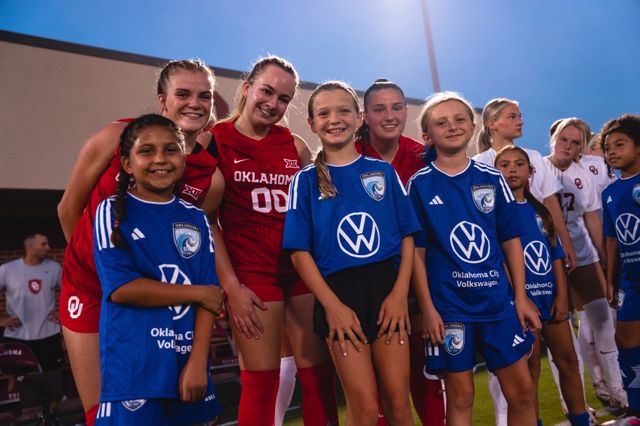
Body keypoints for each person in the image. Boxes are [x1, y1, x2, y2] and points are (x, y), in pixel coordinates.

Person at [57, 59, 223, 426]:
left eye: (204, 96)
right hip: (90, 288)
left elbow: (197, 242)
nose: (194, 103)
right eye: (183, 93)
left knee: (164, 410)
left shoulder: (210, 178)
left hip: (159, 298)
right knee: (102, 411)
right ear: (162, 99)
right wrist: (101, 267)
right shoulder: (115, 137)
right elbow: (68, 209)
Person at [209, 56, 337, 426]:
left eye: (283, 99)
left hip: (299, 269)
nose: (272, 103)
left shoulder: (294, 145)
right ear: (247, 87)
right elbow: (204, 221)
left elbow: (319, 210)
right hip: (252, 274)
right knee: (262, 380)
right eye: (266, 91)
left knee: (318, 373)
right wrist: (231, 286)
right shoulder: (214, 140)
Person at [284, 80, 419, 425]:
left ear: (359, 119)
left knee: (398, 402)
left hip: (387, 294)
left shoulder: (383, 172)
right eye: (324, 113)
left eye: (343, 111)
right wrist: (333, 307)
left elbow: (407, 237)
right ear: (312, 123)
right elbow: (299, 252)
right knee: (363, 408)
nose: (335, 119)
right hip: (339, 297)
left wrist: (400, 295)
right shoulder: (305, 181)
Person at [408, 91, 541, 425]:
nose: (452, 126)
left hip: (497, 304)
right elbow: (416, 254)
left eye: (459, 119)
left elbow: (511, 242)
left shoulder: (492, 179)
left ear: (471, 126)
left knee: (522, 391)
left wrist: (521, 297)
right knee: (461, 396)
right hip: (450, 309)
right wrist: (427, 309)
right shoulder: (419, 186)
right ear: (427, 136)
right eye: (441, 123)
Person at [92, 114, 224, 425]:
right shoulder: (111, 212)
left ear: (184, 159)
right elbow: (122, 289)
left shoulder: (195, 218)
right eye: (147, 151)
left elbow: (211, 298)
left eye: (171, 149)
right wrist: (197, 293)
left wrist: (198, 362)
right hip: (135, 369)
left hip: (187, 362)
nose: (160, 159)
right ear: (127, 164)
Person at [356, 79, 445, 426]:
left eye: (396, 107)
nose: (389, 116)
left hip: (423, 278)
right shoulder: (349, 155)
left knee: (427, 374)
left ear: (406, 111)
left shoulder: (423, 156)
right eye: (379, 109)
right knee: (382, 388)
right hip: (372, 283)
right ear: (365, 116)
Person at [494, 146, 590, 426]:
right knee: (531, 368)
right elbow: (501, 261)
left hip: (550, 300)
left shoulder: (541, 212)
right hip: (523, 305)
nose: (512, 169)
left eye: (519, 164)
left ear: (531, 172)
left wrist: (562, 297)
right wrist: (519, 298)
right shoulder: (495, 214)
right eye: (504, 165)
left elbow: (556, 256)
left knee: (568, 361)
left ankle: (581, 419)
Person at [473, 98, 577, 271]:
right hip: (503, 247)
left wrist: (565, 243)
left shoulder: (534, 157)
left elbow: (550, 202)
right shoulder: (479, 163)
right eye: (512, 117)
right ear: (492, 123)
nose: (520, 122)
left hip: (540, 240)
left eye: (520, 117)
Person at [601, 114, 640, 425]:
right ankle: (636, 408)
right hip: (630, 279)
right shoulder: (610, 192)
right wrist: (611, 280)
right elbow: (612, 239)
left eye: (620, 144)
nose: (612, 151)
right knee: (625, 339)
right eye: (607, 147)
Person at [0, 233, 64, 423]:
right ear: (31, 247)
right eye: (44, 244)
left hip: (48, 333)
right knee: (15, 379)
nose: (48, 247)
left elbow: (71, 292)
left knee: (53, 379)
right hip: (18, 336)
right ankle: (13, 420)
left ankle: (50, 418)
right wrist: (1, 319)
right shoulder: (8, 270)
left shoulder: (54, 268)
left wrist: (62, 313)